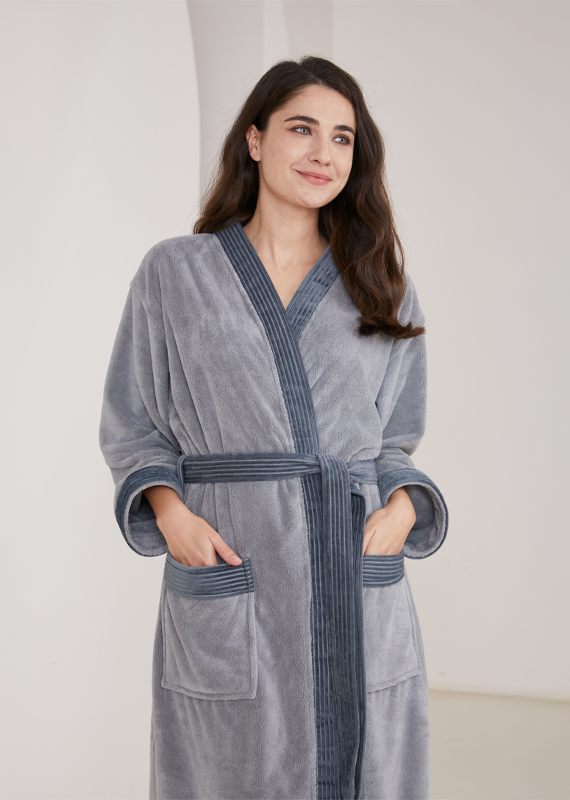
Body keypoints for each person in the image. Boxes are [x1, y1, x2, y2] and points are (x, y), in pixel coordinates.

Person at [99, 55, 448, 800]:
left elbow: (396, 437)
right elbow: (133, 424)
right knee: (228, 768)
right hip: (234, 560)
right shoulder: (175, 273)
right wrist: (172, 514)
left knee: (366, 768)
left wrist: (402, 507)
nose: (324, 152)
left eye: (343, 138)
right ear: (255, 141)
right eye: (302, 129)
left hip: (355, 564)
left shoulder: (381, 281)